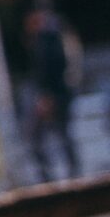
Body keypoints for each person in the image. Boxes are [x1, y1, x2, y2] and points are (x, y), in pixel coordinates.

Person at [23, 9, 80, 182]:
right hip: (59, 94)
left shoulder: (46, 42)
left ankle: (52, 173)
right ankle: (70, 170)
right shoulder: (56, 39)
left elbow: (48, 72)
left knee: (38, 136)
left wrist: (46, 96)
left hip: (52, 96)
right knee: (60, 134)